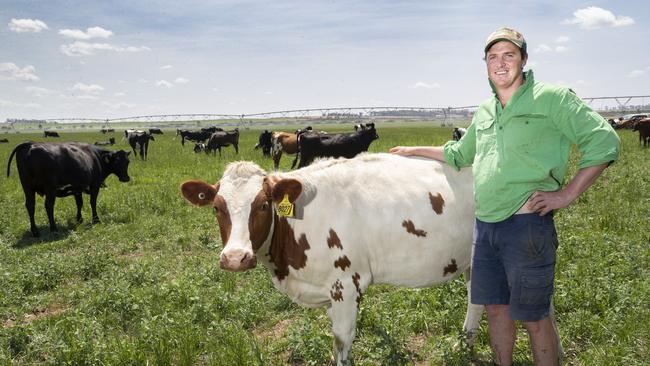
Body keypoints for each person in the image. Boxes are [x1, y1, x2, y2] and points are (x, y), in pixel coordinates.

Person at [390, 26, 620, 365]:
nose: (500, 63)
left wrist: (566, 194)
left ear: (523, 60)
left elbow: (604, 142)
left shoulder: (552, 98)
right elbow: (459, 154)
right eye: (493, 57)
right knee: (496, 310)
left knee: (534, 316)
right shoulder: (485, 111)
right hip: (485, 227)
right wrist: (412, 149)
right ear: (485, 64)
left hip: (526, 228)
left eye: (509, 55)